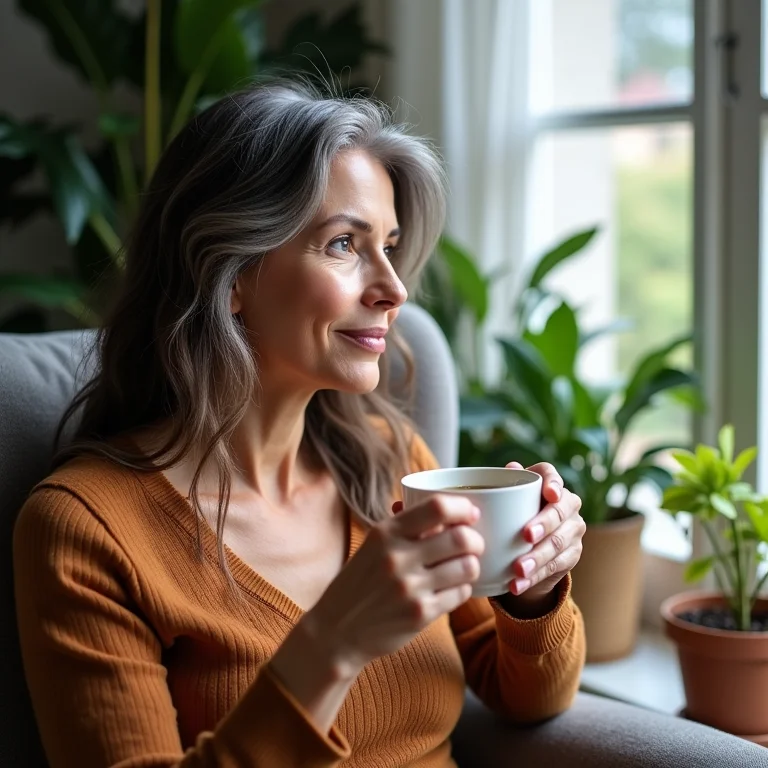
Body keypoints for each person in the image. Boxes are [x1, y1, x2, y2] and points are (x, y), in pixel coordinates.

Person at [13, 81, 586, 768]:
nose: (394, 289)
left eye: (390, 245)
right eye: (344, 243)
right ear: (229, 275)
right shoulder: (89, 531)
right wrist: (334, 644)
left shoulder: (390, 462)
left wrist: (534, 591)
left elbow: (531, 699)